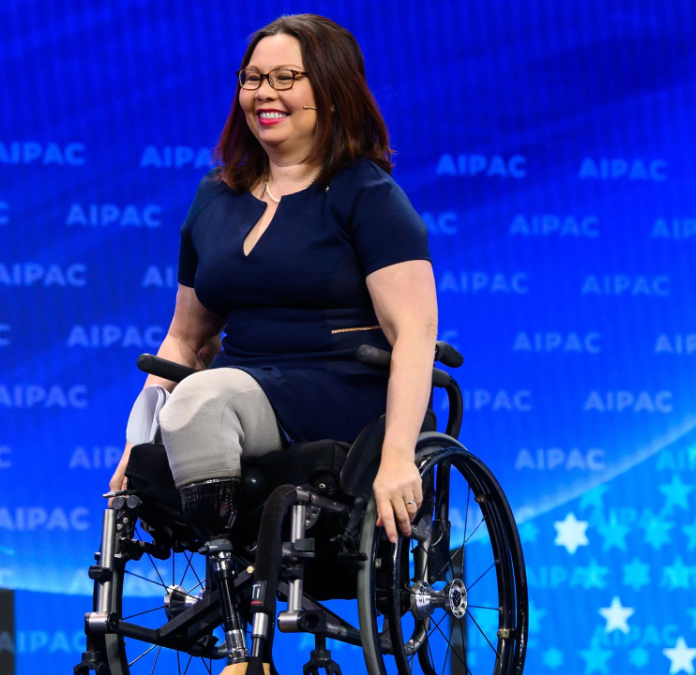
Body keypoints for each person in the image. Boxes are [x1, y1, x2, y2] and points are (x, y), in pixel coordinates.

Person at [109, 17, 437, 667]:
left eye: (288, 78)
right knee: (195, 402)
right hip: (241, 384)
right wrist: (135, 445)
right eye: (254, 78)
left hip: (343, 388)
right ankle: (241, 633)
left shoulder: (366, 195)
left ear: (335, 92)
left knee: (206, 399)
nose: (266, 92)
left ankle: (239, 649)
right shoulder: (214, 198)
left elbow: (415, 332)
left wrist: (399, 453)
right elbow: (186, 335)